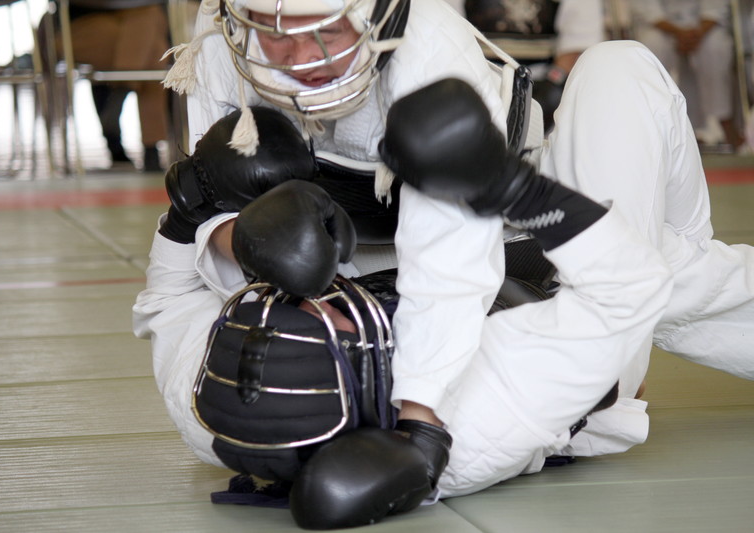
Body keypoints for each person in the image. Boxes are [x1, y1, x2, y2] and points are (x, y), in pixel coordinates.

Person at [133, 0, 754, 529]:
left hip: (452, 239)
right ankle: (617, 372)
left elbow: (169, 294)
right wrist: (423, 426)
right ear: (364, 373)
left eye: (278, 305)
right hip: (568, 283)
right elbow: (626, 287)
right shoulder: (484, 415)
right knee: (619, 73)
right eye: (319, 317)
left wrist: (231, 234)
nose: (296, 55)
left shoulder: (212, 412)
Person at [41, 0, 172, 171]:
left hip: (133, 23)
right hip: (77, 27)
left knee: (149, 21)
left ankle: (119, 99)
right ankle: (151, 147)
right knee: (154, 46)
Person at [452, 0, 606, 132]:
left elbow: (578, 46)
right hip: (477, 84)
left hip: (541, 87)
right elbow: (449, 35)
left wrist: (550, 89)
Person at [629, 0, 744, 150]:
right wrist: (679, 33)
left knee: (715, 47)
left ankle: (726, 122)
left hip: (704, 27)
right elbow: (646, 8)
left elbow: (716, 7)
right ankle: (652, 127)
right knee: (651, 47)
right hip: (661, 27)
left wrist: (695, 34)